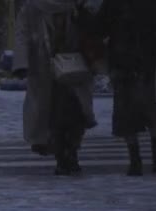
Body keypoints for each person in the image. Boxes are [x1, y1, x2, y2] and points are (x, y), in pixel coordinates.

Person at [13, 0, 95, 176]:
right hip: (46, 69)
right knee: (55, 114)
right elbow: (22, 34)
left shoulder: (76, 6)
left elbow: (91, 29)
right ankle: (63, 155)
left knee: (74, 113)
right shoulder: (33, 8)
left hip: (74, 67)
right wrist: (22, 63)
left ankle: (69, 153)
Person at [91, 0, 156, 175]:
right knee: (150, 107)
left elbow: (98, 28)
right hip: (146, 60)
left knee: (125, 112)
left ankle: (135, 160)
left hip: (121, 61)